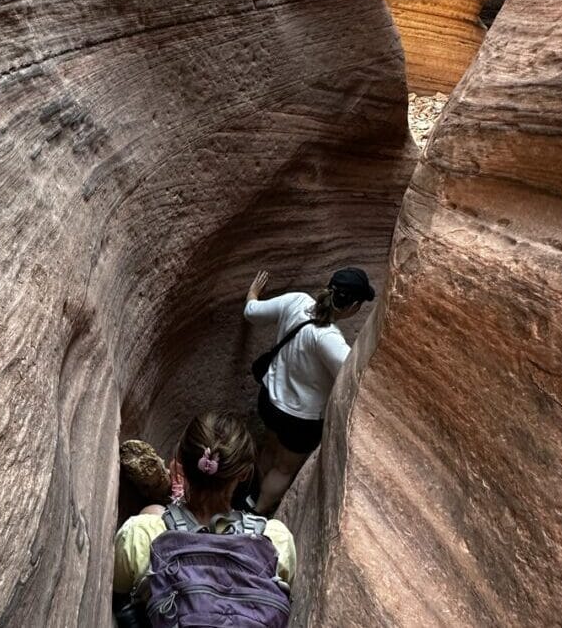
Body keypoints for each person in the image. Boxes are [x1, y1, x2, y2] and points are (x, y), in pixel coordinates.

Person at [113, 410, 296, 627]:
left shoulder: (143, 533)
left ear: (181, 464)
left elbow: (117, 588)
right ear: (245, 473)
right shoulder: (275, 540)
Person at [243, 267, 375, 516]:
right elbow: (356, 379)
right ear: (354, 307)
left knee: (270, 448)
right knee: (283, 468)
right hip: (300, 420)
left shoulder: (297, 300)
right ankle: (257, 513)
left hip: (269, 400)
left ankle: (251, 497)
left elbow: (251, 312)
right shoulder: (329, 340)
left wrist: (253, 292)